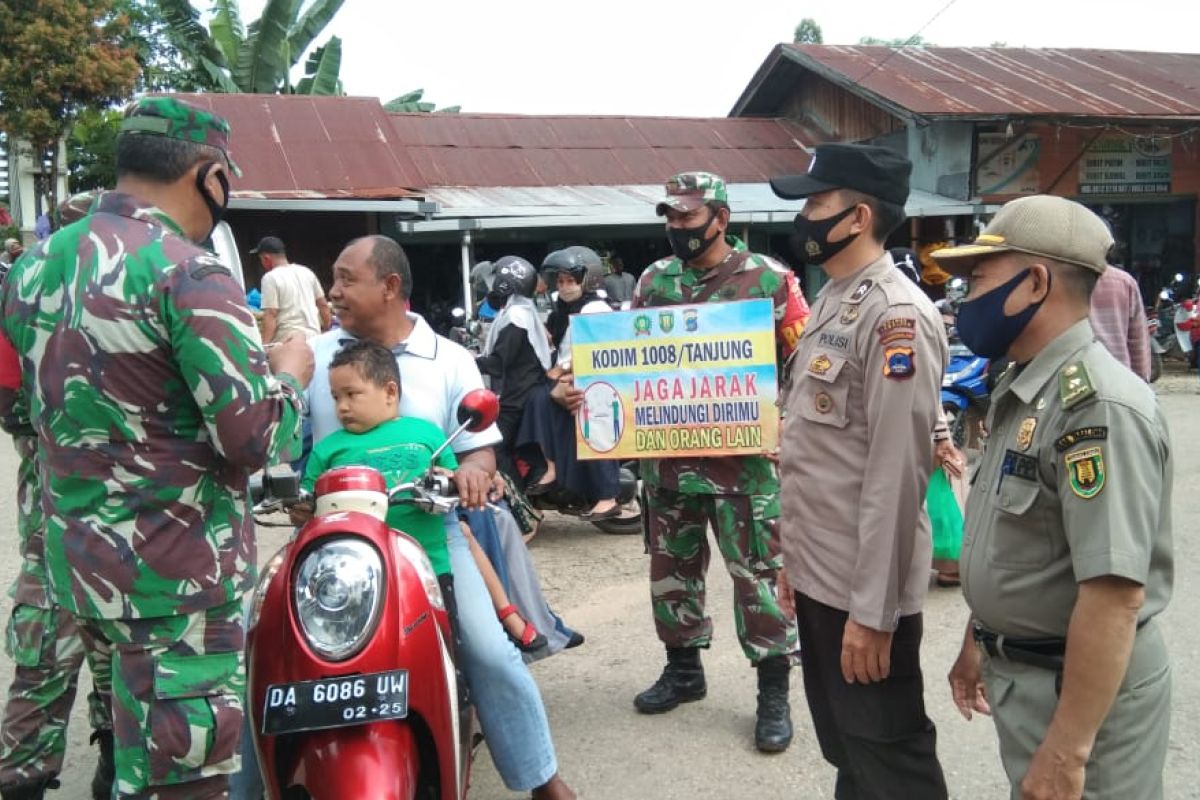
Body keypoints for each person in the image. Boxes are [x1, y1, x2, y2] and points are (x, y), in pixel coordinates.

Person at [0, 96, 313, 799]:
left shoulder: (32, 268)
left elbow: (17, 410)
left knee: (123, 750)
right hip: (176, 588)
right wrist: (290, 374)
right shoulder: (190, 273)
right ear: (209, 176)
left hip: (77, 570)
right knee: (182, 778)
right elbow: (252, 438)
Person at [306, 235, 575, 799]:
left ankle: (542, 780)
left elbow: (479, 445)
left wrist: (476, 470)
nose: (333, 291)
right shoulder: (314, 357)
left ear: (390, 287)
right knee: (274, 650)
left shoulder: (449, 357)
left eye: (344, 278)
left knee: (487, 650)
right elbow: (290, 447)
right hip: (335, 544)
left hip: (432, 531)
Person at [938, 195, 1173, 800]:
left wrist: (1067, 752)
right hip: (1030, 679)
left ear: (1035, 281)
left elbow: (1114, 594)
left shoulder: (1097, 407)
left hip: (1083, 697)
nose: (966, 300)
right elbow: (1020, 543)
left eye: (979, 279)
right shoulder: (1023, 386)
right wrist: (978, 636)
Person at [770, 142, 949, 798]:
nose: (805, 216)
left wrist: (874, 615)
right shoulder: (833, 299)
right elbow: (823, 454)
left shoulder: (894, 317)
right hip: (825, 575)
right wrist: (795, 564)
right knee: (851, 748)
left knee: (890, 756)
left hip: (863, 591)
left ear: (858, 217)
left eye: (817, 202)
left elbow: (895, 476)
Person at [630, 171, 810, 754]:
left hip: (746, 468)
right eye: (670, 217)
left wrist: (789, 420)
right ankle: (684, 672)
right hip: (668, 462)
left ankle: (773, 693)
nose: (676, 227)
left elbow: (806, 360)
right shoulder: (655, 280)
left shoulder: (769, 279)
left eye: (687, 217)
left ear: (720, 219)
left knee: (757, 578)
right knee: (671, 572)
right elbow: (627, 358)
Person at [302, 338, 546, 651]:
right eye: (336, 397)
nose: (342, 406)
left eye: (352, 394)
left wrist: (457, 479)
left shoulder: (427, 434)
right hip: (352, 570)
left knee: (445, 652)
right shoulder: (328, 448)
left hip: (429, 563)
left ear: (390, 392)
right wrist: (299, 504)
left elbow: (453, 475)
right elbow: (307, 498)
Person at [0, 195, 112, 800]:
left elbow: (6, 401)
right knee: (120, 652)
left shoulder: (24, 288)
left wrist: (44, 433)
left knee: (46, 648)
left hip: (53, 501)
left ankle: (25, 775)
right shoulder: (147, 285)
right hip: (135, 521)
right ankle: (114, 764)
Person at [522, 246, 621, 520]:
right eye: (561, 281)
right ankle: (552, 468)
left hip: (594, 381)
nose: (565, 288)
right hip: (569, 377)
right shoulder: (561, 309)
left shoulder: (594, 308)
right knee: (536, 398)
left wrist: (564, 370)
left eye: (571, 281)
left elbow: (594, 350)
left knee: (592, 423)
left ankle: (607, 496)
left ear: (587, 280)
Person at [477, 255, 554, 483]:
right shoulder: (519, 312)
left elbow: (498, 364)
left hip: (517, 397)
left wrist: (468, 360)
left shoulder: (516, 318)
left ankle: (518, 504)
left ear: (505, 285)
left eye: (495, 284)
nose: (490, 290)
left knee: (496, 448)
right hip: (523, 391)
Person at [251, 235, 332, 342]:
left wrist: (265, 345)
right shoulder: (307, 272)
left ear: (266, 258)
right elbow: (323, 305)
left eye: (261, 259)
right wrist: (327, 331)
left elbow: (271, 313)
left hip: (287, 340)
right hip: (313, 339)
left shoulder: (270, 278)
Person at [1088, 262, 1151, 381]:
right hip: (1118, 379)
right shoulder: (1124, 281)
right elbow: (1138, 343)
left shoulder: (1054, 280)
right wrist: (1141, 384)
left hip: (1070, 381)